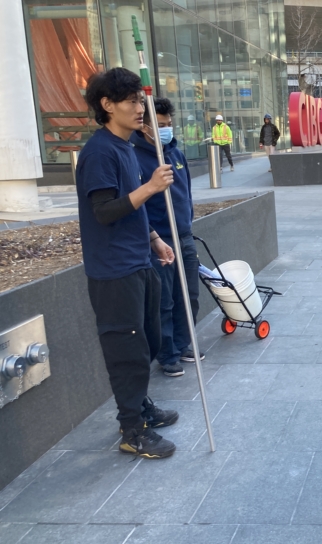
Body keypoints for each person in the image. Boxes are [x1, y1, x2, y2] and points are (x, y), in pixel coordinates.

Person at [76, 67, 179, 459]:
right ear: (107, 105)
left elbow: (130, 207)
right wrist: (152, 187)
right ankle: (131, 430)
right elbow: (103, 212)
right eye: (132, 101)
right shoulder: (99, 152)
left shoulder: (126, 146)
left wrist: (154, 240)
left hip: (138, 261)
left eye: (141, 100)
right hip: (113, 271)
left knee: (148, 340)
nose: (141, 108)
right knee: (127, 351)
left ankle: (141, 406)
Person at [131, 97, 203, 378]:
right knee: (165, 300)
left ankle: (185, 344)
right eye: (160, 125)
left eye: (169, 125)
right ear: (145, 127)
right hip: (158, 240)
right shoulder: (135, 158)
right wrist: (153, 237)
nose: (166, 130)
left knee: (189, 295)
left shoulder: (176, 154)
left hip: (183, 235)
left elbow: (186, 193)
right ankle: (168, 353)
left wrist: (187, 223)